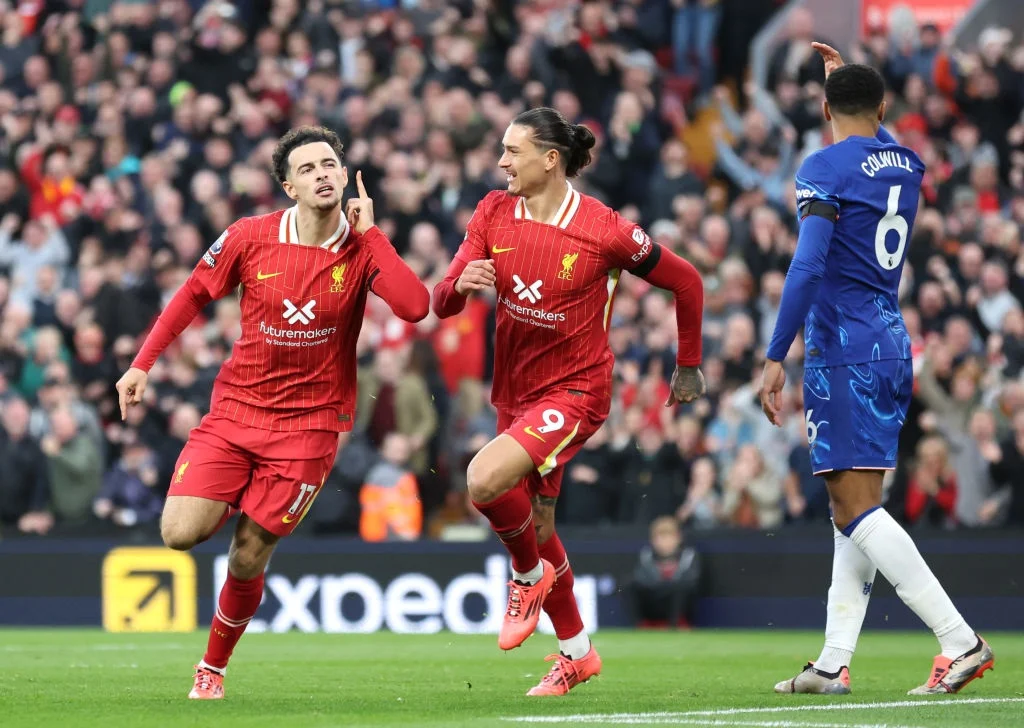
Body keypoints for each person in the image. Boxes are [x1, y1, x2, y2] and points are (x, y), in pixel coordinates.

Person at [115, 126, 429, 700]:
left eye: (330, 164)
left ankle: (212, 667)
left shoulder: (360, 250)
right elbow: (190, 293)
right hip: (236, 412)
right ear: (288, 185)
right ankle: (237, 490)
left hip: (309, 429)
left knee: (248, 555)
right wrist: (142, 364)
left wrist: (373, 233)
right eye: (308, 168)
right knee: (179, 534)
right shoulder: (249, 235)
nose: (323, 174)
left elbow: (414, 306)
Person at [432, 107, 706, 696]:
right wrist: (459, 285)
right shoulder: (491, 211)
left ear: (550, 160)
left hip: (576, 391)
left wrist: (687, 364)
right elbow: (441, 303)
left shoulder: (604, 228)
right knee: (540, 522)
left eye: (513, 151)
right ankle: (577, 654)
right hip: (513, 392)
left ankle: (525, 576)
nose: (501, 161)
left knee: (483, 481)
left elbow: (686, 280)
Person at [759, 44, 994, 696]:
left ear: (825, 109)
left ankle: (960, 641)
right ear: (883, 107)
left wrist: (776, 354)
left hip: (843, 344)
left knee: (855, 506)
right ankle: (834, 662)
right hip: (890, 338)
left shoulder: (823, 165)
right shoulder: (908, 163)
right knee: (851, 507)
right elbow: (876, 142)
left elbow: (806, 265)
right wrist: (848, 93)